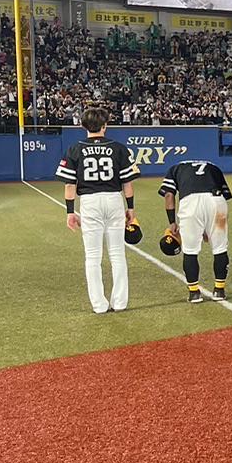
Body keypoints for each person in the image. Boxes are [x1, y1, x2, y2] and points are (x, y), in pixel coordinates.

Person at [57, 106, 139, 314]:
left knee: (92, 256)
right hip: (113, 199)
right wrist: (130, 208)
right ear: (105, 125)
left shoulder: (75, 148)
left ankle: (99, 305)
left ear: (83, 126)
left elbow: (69, 185)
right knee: (117, 254)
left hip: (90, 201)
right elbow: (127, 183)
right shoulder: (118, 148)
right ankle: (120, 302)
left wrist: (70, 211)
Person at [159, 158, 231, 303]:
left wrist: (172, 221)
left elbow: (168, 195)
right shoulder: (213, 166)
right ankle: (219, 290)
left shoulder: (175, 168)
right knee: (220, 248)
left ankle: (194, 293)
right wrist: (207, 227)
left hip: (190, 202)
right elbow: (224, 194)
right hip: (216, 201)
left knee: (190, 250)